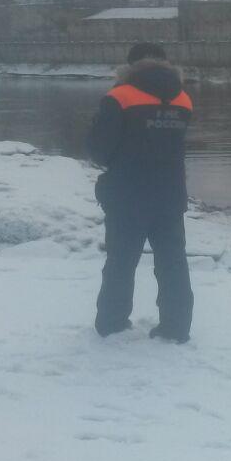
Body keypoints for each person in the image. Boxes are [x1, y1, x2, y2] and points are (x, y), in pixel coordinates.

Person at [87, 42, 194, 343]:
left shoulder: (120, 96)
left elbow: (99, 150)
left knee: (121, 261)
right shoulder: (183, 99)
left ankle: (112, 323)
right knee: (173, 262)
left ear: (130, 65)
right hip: (170, 195)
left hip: (128, 195)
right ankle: (176, 327)